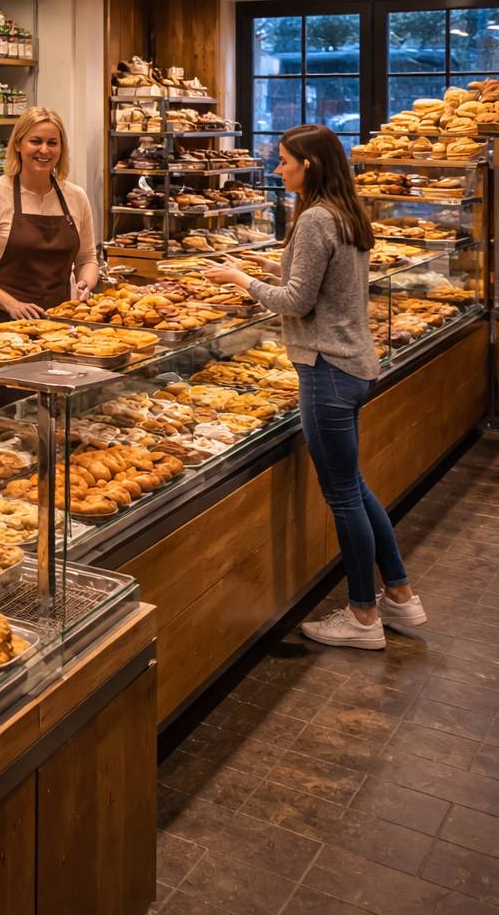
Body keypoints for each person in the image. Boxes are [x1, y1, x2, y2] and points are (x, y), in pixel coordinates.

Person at [203, 123, 425, 649]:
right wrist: (264, 266)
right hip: (356, 365)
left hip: (326, 370)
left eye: (284, 161)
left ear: (311, 166)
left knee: (343, 496)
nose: (278, 169)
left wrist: (240, 282)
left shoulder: (315, 219)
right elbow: (321, 284)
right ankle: (400, 596)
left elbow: (297, 302)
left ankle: (363, 617)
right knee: (355, 486)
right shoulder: (346, 214)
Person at [0, 106, 98, 410]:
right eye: (36, 141)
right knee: (1, 427)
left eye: (53, 143)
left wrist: (85, 284)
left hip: (59, 331)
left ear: (62, 149)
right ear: (18, 145)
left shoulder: (76, 197)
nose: (44, 150)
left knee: (54, 422)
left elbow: (87, 257)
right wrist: (11, 304)